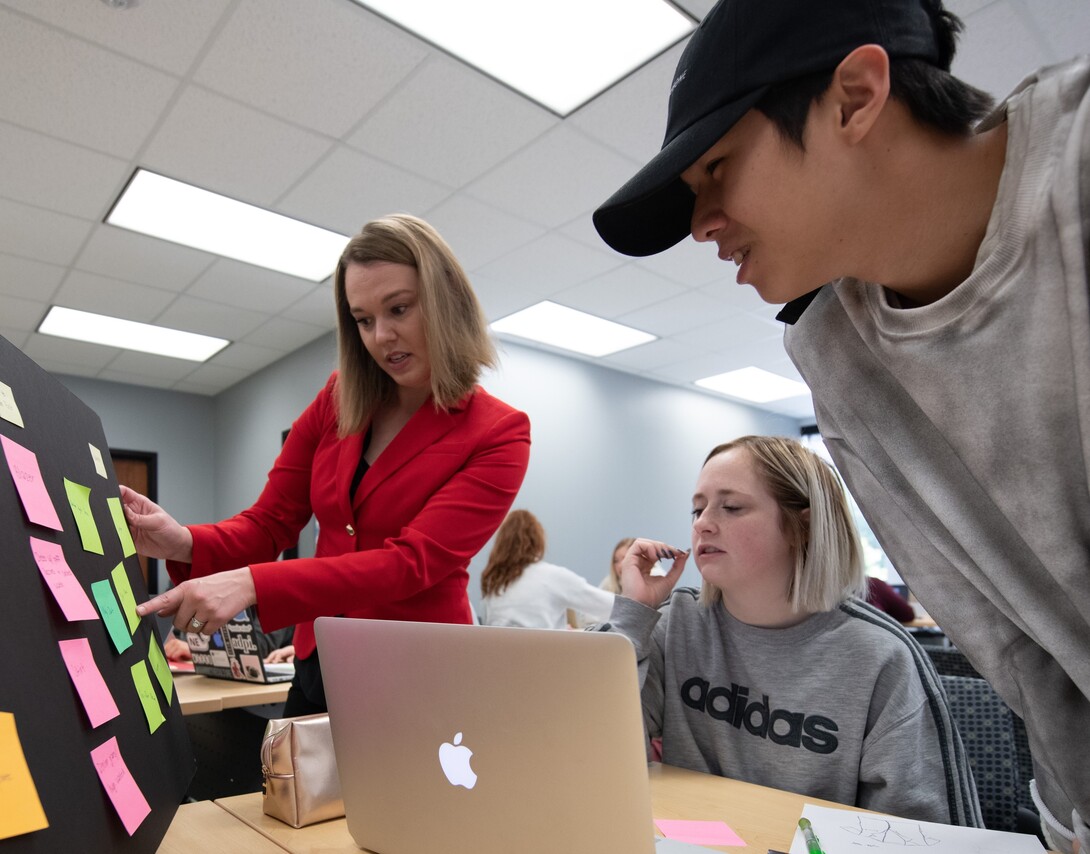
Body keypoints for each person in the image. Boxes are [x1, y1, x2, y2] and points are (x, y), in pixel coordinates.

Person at [592, 1, 1088, 849]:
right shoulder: (835, 352)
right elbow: (1024, 656)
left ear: (855, 96)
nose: (702, 223)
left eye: (718, 169)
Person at [126, 214, 531, 715]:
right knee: (294, 792)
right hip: (319, 655)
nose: (381, 336)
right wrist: (183, 541)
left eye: (399, 309)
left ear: (445, 301)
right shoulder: (338, 399)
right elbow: (270, 521)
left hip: (419, 668)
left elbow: (410, 564)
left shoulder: (498, 431)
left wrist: (252, 583)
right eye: (363, 320)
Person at [600, 435, 980, 825]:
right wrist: (634, 613)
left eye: (731, 507)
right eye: (697, 511)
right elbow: (588, 739)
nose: (703, 525)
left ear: (805, 526)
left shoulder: (881, 655)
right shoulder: (676, 622)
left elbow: (928, 829)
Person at [480, 509, 615, 630]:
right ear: (537, 541)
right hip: (545, 654)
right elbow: (608, 606)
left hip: (502, 655)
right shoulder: (552, 577)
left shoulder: (494, 582)